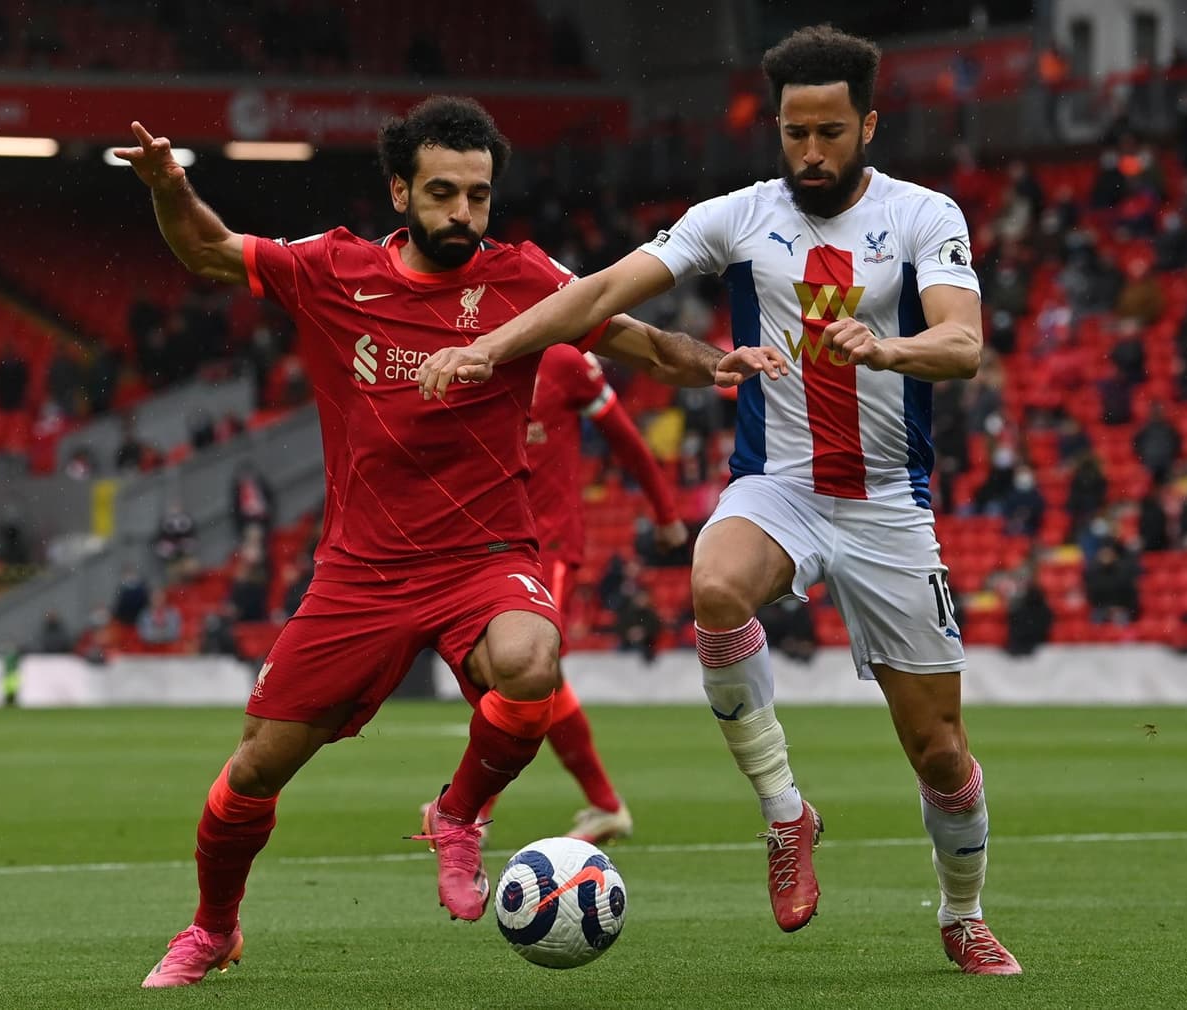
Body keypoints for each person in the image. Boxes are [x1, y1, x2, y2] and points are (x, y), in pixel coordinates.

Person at [117, 96, 780, 988]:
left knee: (533, 664)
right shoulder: (334, 268)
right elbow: (208, 250)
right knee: (255, 770)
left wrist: (715, 364)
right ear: (400, 191)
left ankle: (459, 814)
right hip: (361, 573)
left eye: (478, 194)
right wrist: (169, 185)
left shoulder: (523, 277)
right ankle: (212, 928)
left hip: (486, 558)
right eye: (442, 193)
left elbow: (638, 342)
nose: (464, 212)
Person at [419, 25, 1021, 975]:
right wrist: (489, 348)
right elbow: (602, 292)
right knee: (714, 584)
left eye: (829, 133)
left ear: (868, 125)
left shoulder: (921, 215)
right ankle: (786, 816)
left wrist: (887, 347)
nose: (810, 152)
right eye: (794, 133)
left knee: (941, 752)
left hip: (886, 506)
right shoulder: (739, 216)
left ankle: (962, 913)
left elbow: (963, 344)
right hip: (777, 486)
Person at [466, 344, 690, 844]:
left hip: (547, 543)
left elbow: (624, 437)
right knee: (524, 675)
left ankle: (473, 813)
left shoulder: (564, 362)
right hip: (491, 543)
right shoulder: (475, 354)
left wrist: (666, 512)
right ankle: (604, 805)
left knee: (525, 669)